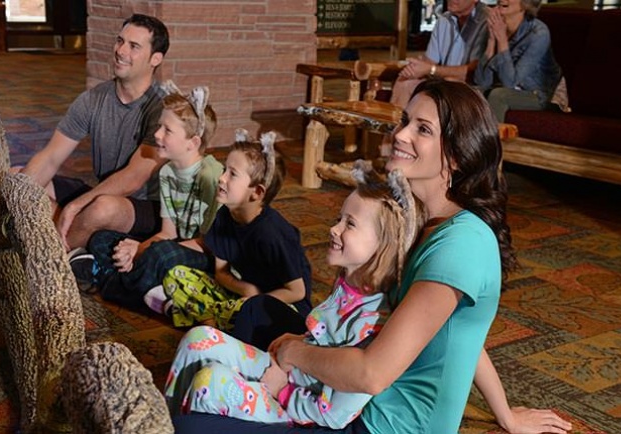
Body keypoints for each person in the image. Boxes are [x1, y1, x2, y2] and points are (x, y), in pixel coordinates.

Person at [171, 80, 573, 434]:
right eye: (405, 120)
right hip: (351, 385)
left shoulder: (461, 245)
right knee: (258, 311)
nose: (401, 134)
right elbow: (456, 333)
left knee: (192, 420)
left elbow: (372, 374)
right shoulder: (419, 216)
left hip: (376, 420)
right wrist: (506, 414)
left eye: (423, 129)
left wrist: (296, 353)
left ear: (456, 155)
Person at [164, 164, 423, 428]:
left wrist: (282, 391)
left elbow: (334, 413)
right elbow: (324, 339)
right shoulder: (348, 284)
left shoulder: (373, 320)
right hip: (288, 371)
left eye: (350, 224)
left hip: (297, 410)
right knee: (199, 339)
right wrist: (300, 341)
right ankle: (158, 422)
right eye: (338, 219)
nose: (334, 229)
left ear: (383, 245)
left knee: (210, 382)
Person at [20, 14, 170, 251]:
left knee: (102, 208)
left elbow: (134, 178)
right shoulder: (93, 99)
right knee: (18, 178)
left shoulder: (162, 108)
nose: (121, 51)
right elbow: (50, 157)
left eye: (134, 46)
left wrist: (75, 206)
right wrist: (18, 194)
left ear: (155, 58)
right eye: (120, 41)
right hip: (102, 194)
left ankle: (49, 255)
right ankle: (73, 238)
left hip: (145, 207)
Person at [72, 82, 223, 313]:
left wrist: (143, 250)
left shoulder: (211, 176)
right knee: (102, 239)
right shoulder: (167, 173)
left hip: (207, 255)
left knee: (159, 254)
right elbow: (167, 233)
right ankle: (148, 291)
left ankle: (109, 284)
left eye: (167, 130)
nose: (156, 134)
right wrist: (136, 248)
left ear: (193, 143)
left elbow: (211, 244)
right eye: (159, 126)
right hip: (174, 244)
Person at [153, 130, 312, 329]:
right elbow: (221, 273)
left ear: (257, 192)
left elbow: (297, 291)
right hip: (244, 294)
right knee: (176, 274)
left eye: (232, 174)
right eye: (224, 170)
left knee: (244, 313)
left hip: (283, 306)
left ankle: (206, 319)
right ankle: (212, 321)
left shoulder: (273, 234)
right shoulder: (224, 215)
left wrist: (255, 301)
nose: (221, 178)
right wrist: (247, 290)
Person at [388, 0, 490, 111]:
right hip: (443, 80)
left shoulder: (487, 20)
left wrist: (431, 70)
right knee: (405, 80)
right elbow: (429, 61)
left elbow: (473, 72)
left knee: (450, 83)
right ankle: (395, 126)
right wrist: (415, 68)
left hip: (473, 85)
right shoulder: (444, 19)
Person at [473, 0, 561, 122]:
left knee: (499, 96)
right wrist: (492, 41)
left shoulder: (539, 33)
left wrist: (502, 41)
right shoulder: (498, 26)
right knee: (470, 92)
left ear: (525, 4)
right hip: (506, 88)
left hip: (536, 94)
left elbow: (510, 82)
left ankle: (492, 140)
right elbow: (481, 81)